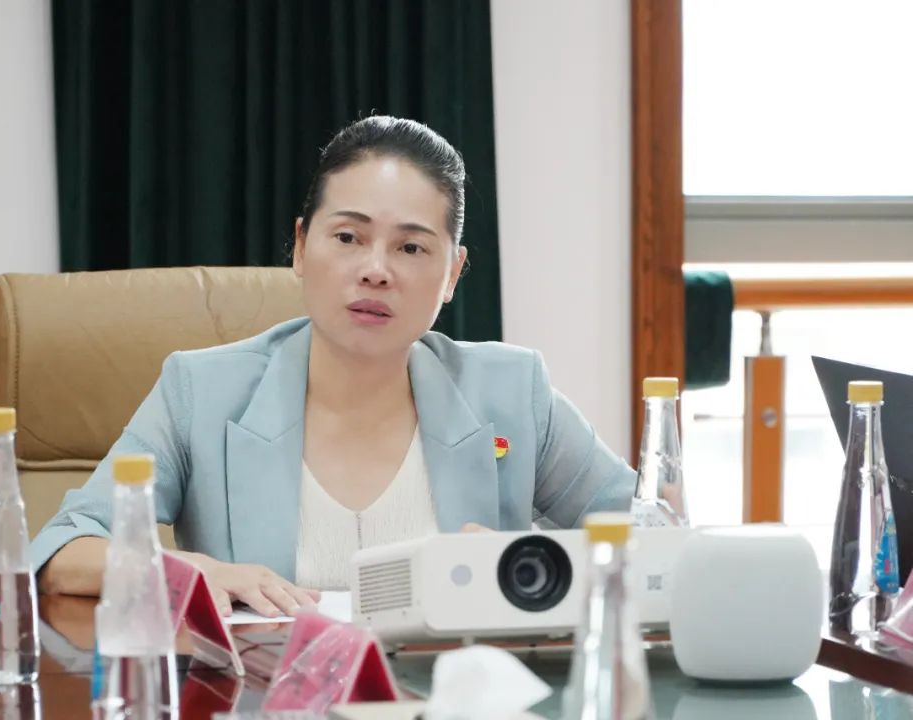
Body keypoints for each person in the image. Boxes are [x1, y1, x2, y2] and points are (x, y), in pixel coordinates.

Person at [33, 115, 635, 618]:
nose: (376, 270)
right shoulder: (201, 392)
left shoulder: (512, 392)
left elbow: (651, 535)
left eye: (411, 247)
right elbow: (64, 550)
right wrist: (188, 570)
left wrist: (525, 564)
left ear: (452, 273)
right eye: (348, 238)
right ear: (300, 246)